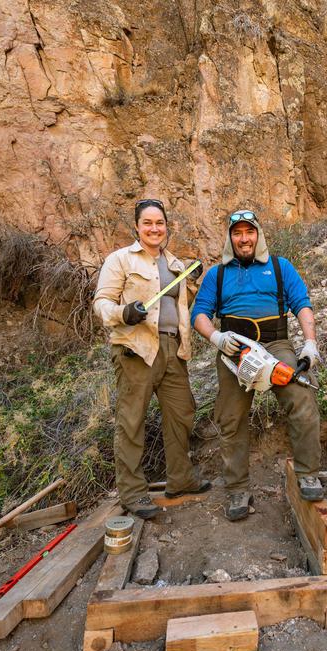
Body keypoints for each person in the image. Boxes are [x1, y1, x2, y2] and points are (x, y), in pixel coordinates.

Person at [191, 209, 324, 521]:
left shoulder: (280, 267)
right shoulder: (217, 274)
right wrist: (216, 337)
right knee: (231, 417)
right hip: (235, 350)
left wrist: (310, 342)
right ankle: (238, 489)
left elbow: (302, 304)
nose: (244, 238)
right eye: (237, 233)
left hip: (276, 345)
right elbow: (199, 314)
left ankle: (308, 474)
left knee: (302, 397)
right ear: (230, 238)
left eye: (249, 232)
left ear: (258, 235)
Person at [93, 198, 210, 519]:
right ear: (137, 226)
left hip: (174, 349)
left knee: (181, 414)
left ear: (166, 227)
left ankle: (181, 479)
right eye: (148, 223)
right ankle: (133, 494)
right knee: (131, 422)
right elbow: (101, 303)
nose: (154, 228)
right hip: (137, 350)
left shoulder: (175, 264)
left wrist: (192, 281)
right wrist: (123, 313)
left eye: (159, 223)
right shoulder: (120, 260)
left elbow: (182, 305)